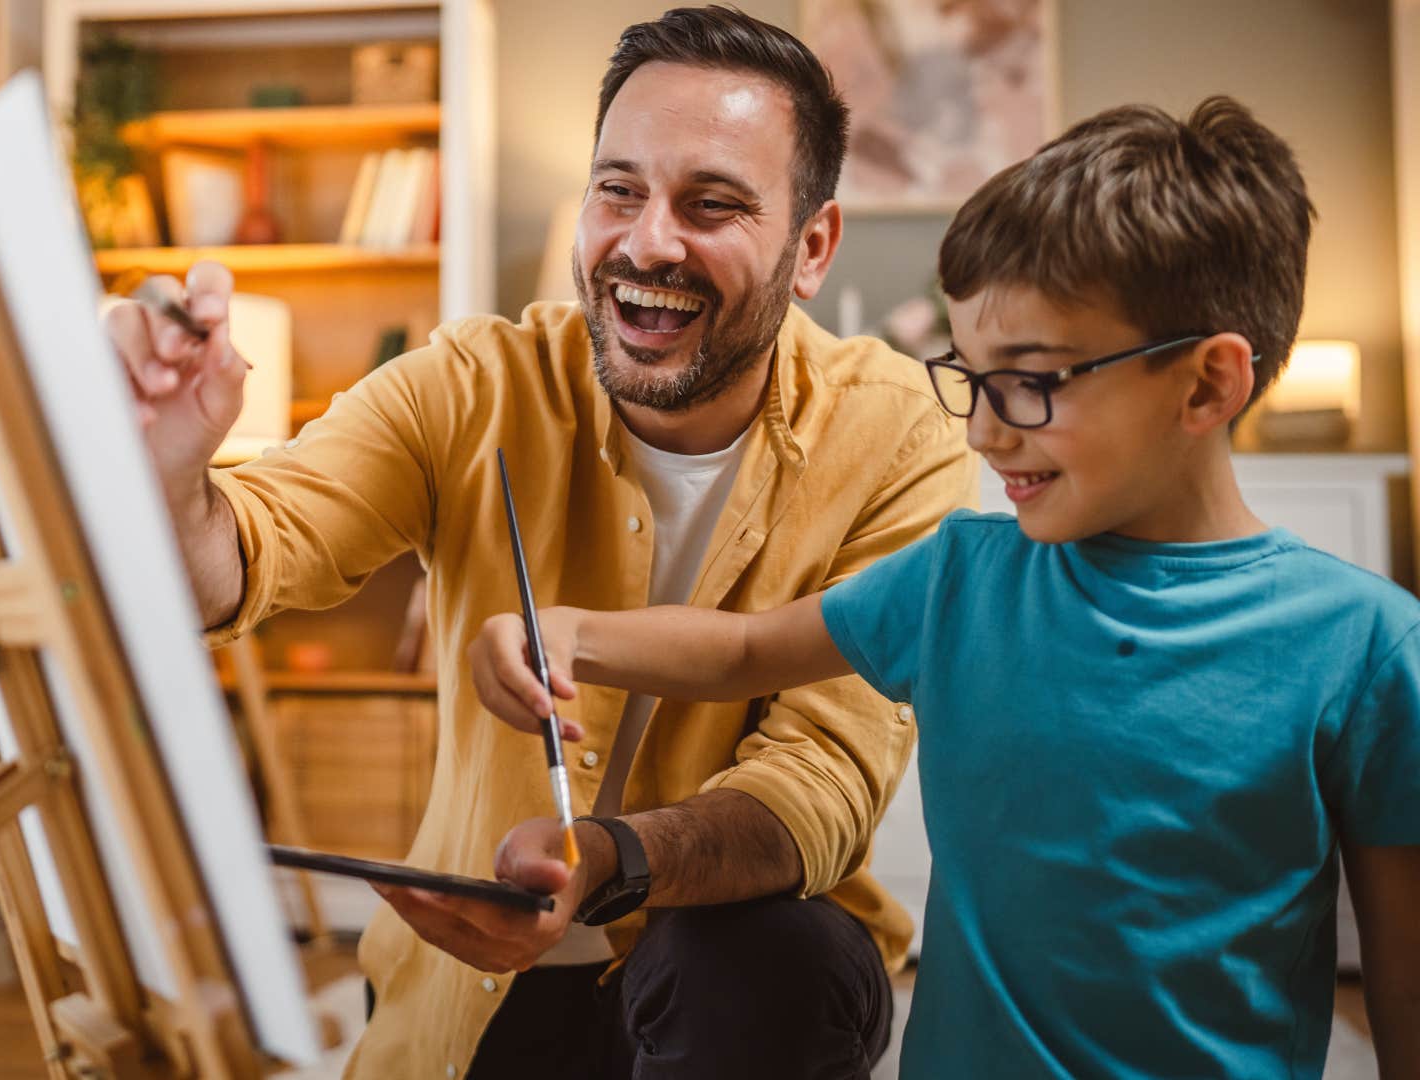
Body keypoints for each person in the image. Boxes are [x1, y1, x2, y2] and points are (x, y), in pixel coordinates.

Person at [470, 96, 1420, 1075]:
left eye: (1031, 381)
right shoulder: (964, 576)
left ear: (1207, 385)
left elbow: (1403, 984)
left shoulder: (1364, 649)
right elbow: (746, 648)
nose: (984, 430)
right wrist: (571, 633)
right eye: (971, 375)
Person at [106, 7, 974, 1076]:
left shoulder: (903, 434)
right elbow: (240, 559)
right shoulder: (472, 383)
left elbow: (822, 785)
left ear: (814, 246)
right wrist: (172, 468)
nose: (648, 240)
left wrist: (610, 860)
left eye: (712, 204)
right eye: (618, 189)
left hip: (741, 959)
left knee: (751, 962)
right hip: (479, 971)